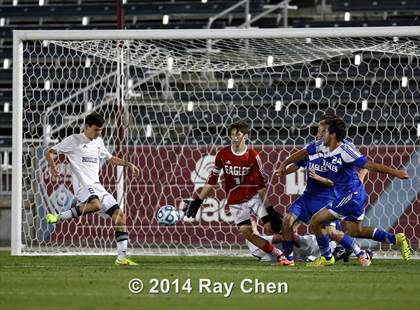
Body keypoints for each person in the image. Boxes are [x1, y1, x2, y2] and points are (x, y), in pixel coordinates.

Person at [277, 117, 410, 267]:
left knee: (317, 221)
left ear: (332, 134)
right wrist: (283, 164)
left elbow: (369, 165)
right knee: (355, 231)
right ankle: (395, 239)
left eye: (323, 132)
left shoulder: (346, 150)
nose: (319, 135)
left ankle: (327, 258)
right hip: (351, 195)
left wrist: (396, 172)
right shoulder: (320, 146)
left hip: (350, 196)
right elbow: (301, 154)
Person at [45, 112, 140, 266]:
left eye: (101, 130)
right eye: (96, 129)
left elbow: (109, 159)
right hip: (83, 185)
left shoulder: (99, 142)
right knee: (96, 205)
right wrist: (53, 166)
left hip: (97, 185)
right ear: (87, 127)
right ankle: (59, 217)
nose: (99, 133)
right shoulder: (73, 140)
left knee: (119, 215)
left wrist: (129, 164)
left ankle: (121, 259)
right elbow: (49, 152)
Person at [184, 121, 284, 261]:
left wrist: (271, 209)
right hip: (235, 200)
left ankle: (297, 242)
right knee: (245, 231)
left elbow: (261, 187)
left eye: (238, 134)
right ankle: (278, 254)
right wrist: (197, 201)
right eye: (232, 135)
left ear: (246, 136)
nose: (235, 137)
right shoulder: (223, 154)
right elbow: (212, 181)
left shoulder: (252, 156)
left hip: (253, 197)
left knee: (270, 227)